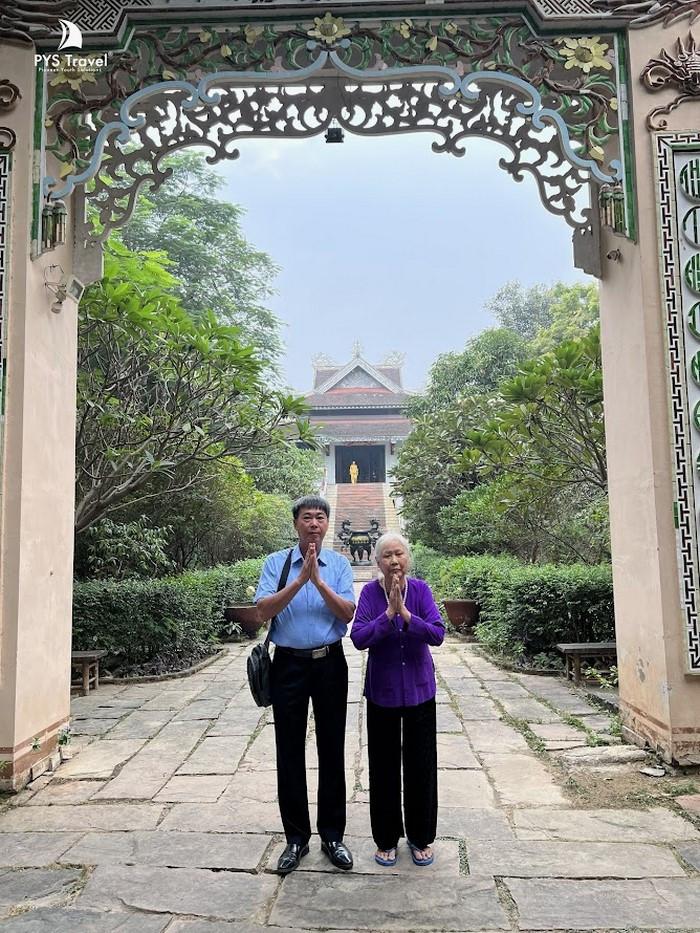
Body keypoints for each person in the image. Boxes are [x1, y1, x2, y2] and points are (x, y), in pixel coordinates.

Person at [256, 495, 356, 875]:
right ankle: (296, 838)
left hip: (330, 663)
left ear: (327, 524)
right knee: (289, 750)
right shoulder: (275, 563)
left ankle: (333, 835)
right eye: (306, 517)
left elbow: (348, 612)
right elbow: (263, 611)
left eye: (320, 517)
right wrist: (301, 580)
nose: (314, 523)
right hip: (289, 666)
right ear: (296, 523)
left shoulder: (340, 565)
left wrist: (319, 581)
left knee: (332, 748)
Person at [350, 533, 444, 867]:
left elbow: (437, 634)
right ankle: (387, 838)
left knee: (421, 766)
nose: (394, 561)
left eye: (399, 554)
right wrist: (388, 613)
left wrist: (405, 613)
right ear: (377, 563)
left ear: (408, 558)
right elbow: (359, 638)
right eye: (387, 556)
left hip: (420, 690)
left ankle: (420, 837)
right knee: (384, 767)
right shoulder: (369, 594)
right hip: (383, 693)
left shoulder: (421, 591)